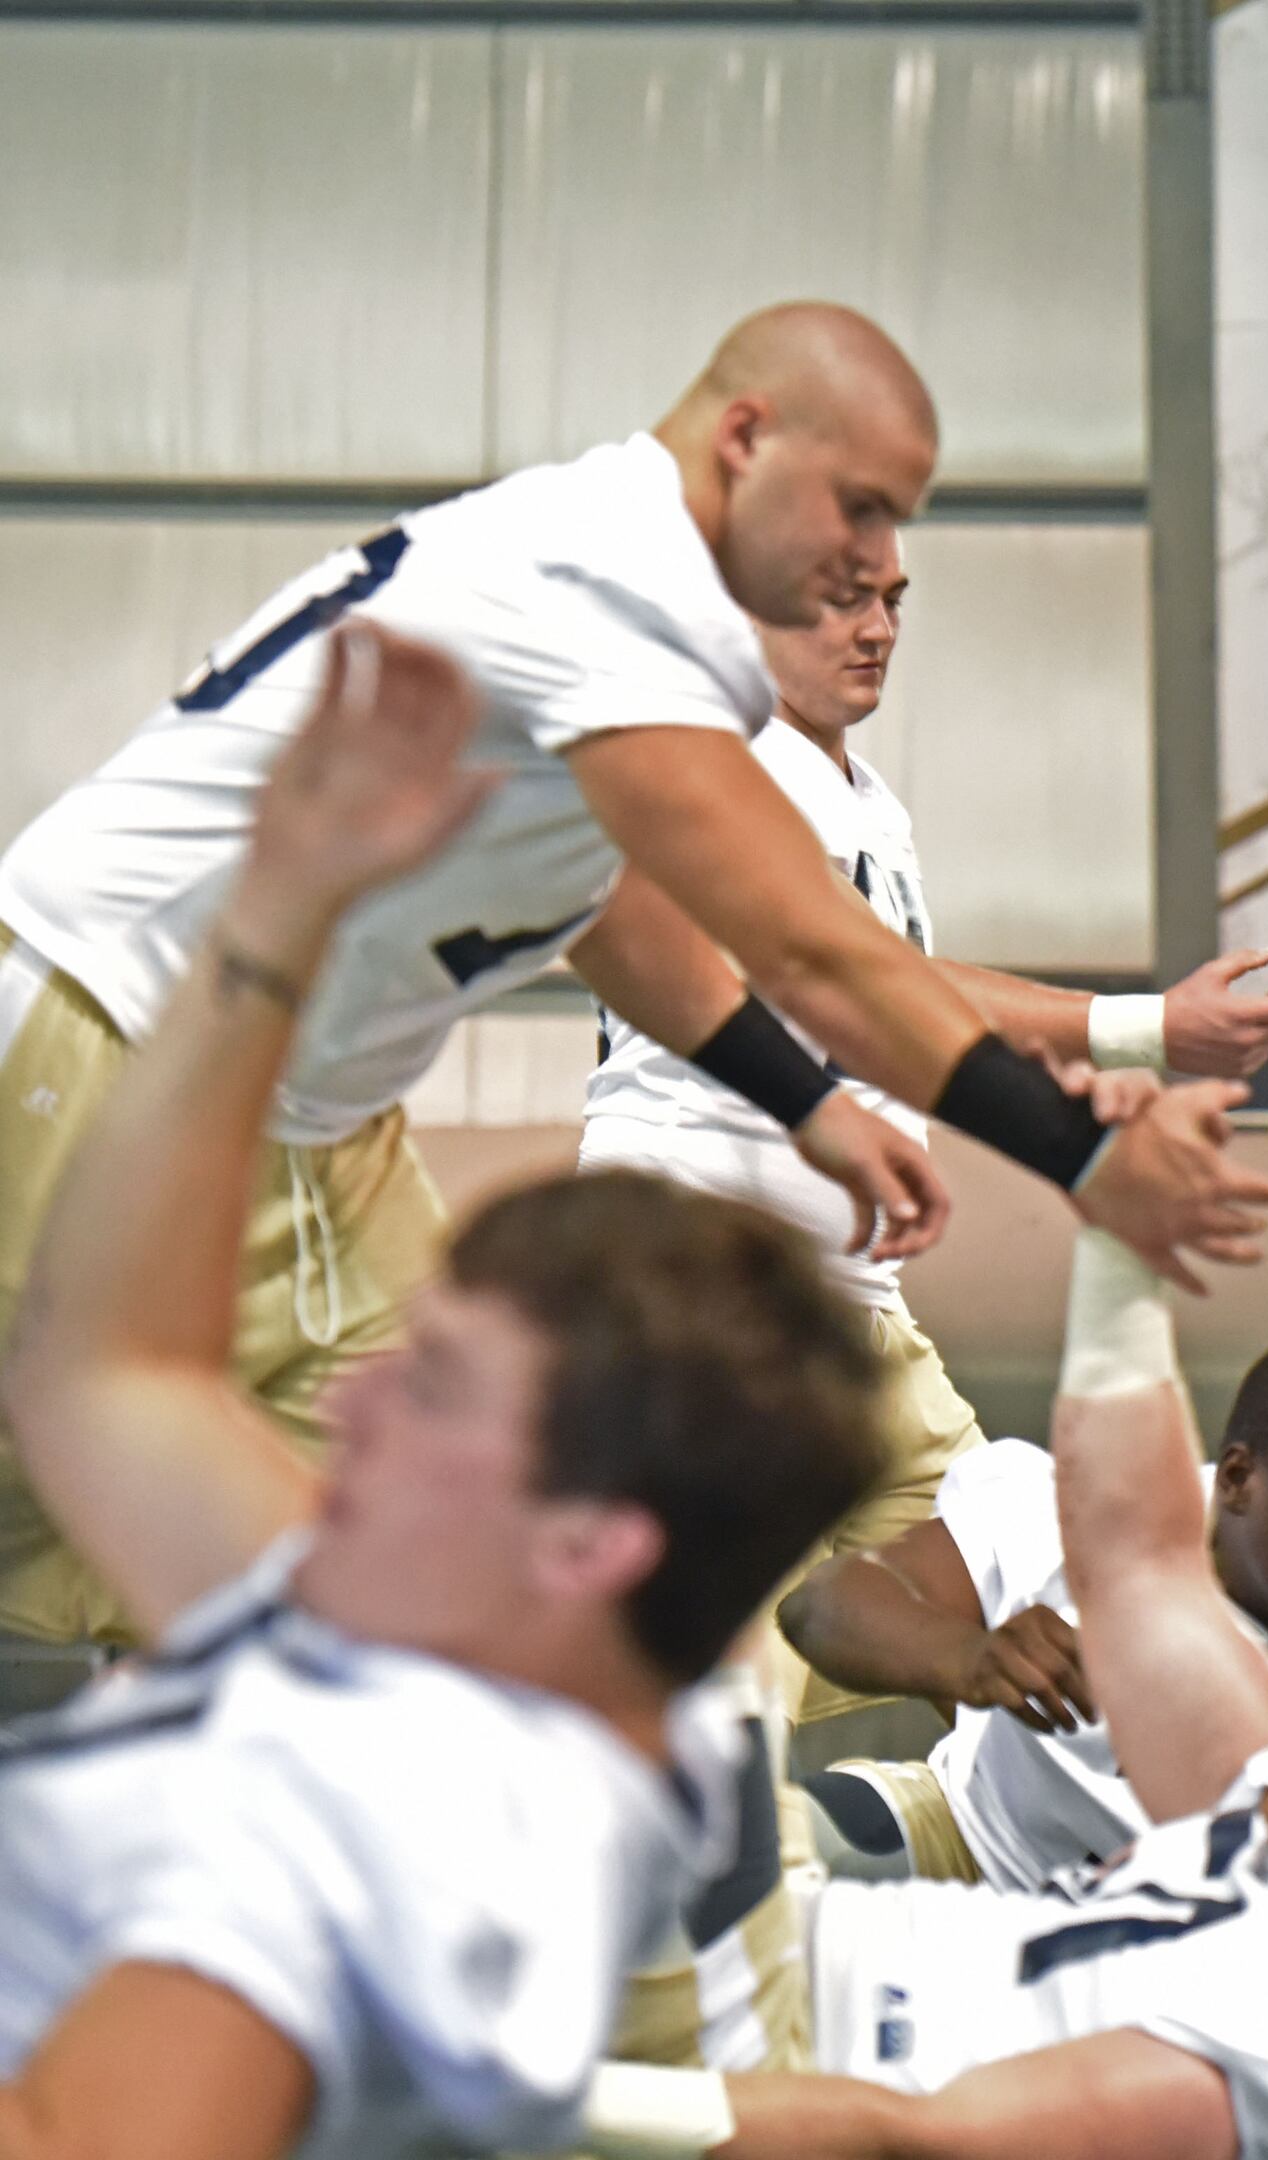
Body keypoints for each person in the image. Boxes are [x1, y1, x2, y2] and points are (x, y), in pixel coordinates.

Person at [0, 302, 1268, 1647]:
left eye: (899, 525)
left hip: (323, 1122)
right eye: (860, 508)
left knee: (445, 1533)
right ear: (743, 440)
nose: (876, 560)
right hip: (107, 1043)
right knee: (72, 1488)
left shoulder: (645, 618)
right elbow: (808, 945)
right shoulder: (616, 581)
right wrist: (1081, 1153)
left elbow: (608, 913)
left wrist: (807, 1103)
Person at [0, 625, 885, 2159]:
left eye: (436, 1393)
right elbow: (109, 1369)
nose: (348, 1406)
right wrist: (275, 913)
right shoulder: (477, 1656)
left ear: (588, 1538)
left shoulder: (390, 1838)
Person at [579, 1210, 1268, 2160]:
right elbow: (859, 1600)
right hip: (986, 1858)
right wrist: (965, 1658)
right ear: (1235, 1482)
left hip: (890, 2031)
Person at [579, 562, 1268, 1712]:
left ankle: (954, 1824)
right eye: (836, 598)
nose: (876, 629)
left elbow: (891, 993)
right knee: (707, 1651)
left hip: (850, 1304)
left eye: (893, 600)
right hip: (711, 1278)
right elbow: (861, 988)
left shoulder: (863, 799)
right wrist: (1144, 1030)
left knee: (1010, 1586)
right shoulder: (730, 765)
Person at [773, 1334, 1268, 1890]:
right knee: (737, 1860)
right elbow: (827, 1602)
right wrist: (964, 1657)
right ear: (1240, 1480)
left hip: (1188, 1966)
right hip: (974, 1850)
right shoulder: (1087, 1515)